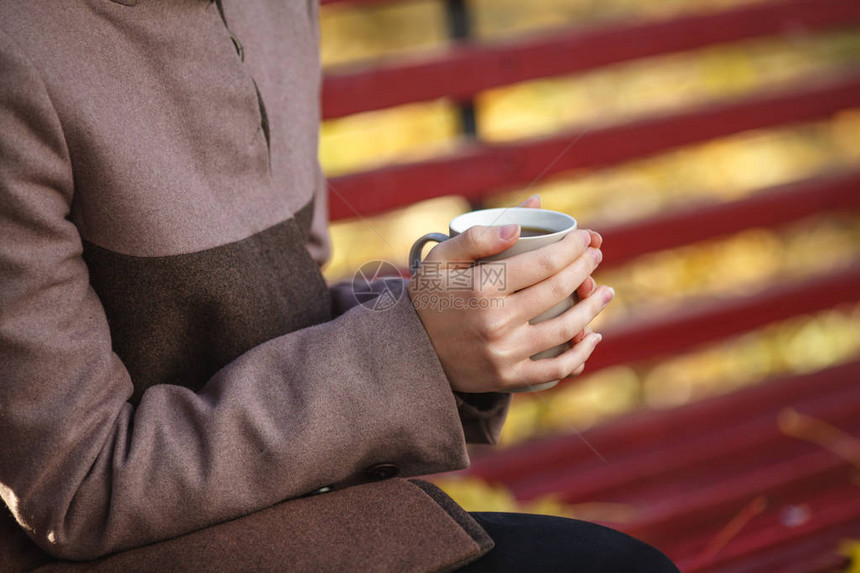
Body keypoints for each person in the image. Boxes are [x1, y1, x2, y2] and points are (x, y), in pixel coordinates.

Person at [0, 1, 678, 571]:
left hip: (298, 517)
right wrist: (411, 352)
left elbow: (284, 313)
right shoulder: (19, 50)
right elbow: (74, 486)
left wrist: (453, 323)